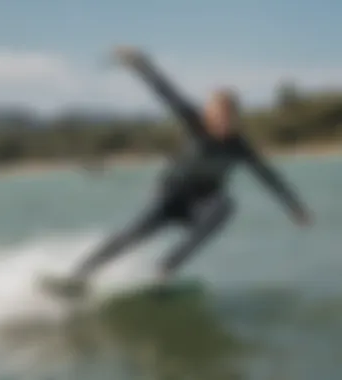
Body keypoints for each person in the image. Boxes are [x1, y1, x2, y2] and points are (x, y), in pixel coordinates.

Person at [60, 47, 312, 295]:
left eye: (228, 117)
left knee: (226, 206)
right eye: (217, 115)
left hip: (203, 203)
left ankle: (166, 267)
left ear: (235, 118)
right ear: (209, 114)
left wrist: (294, 207)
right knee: (130, 236)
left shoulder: (239, 146)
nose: (222, 122)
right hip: (171, 197)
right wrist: (139, 63)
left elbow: (268, 177)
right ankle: (77, 276)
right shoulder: (195, 124)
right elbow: (167, 92)